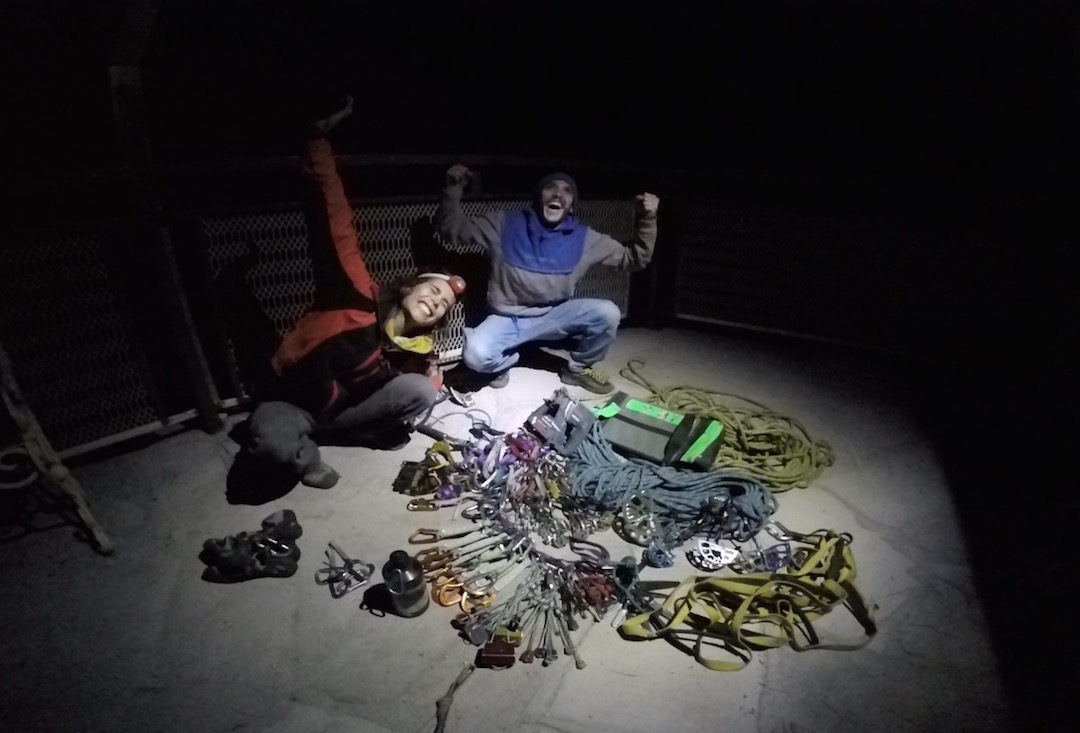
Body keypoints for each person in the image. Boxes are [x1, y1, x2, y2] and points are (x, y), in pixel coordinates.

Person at [242, 96, 466, 490]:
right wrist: (316, 143)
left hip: (344, 411)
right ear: (410, 285)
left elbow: (422, 387)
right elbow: (336, 224)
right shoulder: (357, 299)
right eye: (432, 289)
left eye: (443, 305)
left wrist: (430, 377)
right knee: (270, 448)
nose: (436, 301)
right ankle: (305, 451)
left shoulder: (414, 348)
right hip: (292, 401)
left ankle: (344, 433)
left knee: (419, 391)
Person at [435, 164, 658, 394]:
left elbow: (634, 259)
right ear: (538, 197)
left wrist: (647, 218)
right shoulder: (503, 224)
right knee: (476, 355)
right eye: (550, 188)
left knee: (608, 313)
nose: (558, 194)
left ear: (571, 206)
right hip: (507, 318)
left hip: (555, 314)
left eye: (567, 191)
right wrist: (452, 189)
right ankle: (503, 364)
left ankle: (578, 368)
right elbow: (450, 229)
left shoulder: (585, 238)